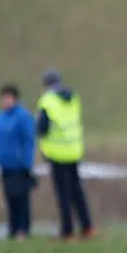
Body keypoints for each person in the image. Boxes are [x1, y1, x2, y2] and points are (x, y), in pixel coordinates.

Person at [36, 70, 94, 241]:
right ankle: (87, 227)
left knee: (63, 194)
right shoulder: (73, 97)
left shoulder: (47, 101)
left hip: (57, 153)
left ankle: (67, 231)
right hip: (74, 150)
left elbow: (42, 128)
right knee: (77, 192)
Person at [0, 84, 37, 240]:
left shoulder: (23, 117)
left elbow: (28, 141)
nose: (5, 101)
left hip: (19, 165)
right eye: (3, 98)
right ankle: (12, 229)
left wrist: (27, 163)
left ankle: (23, 230)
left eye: (8, 98)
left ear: (14, 98)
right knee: (10, 198)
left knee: (21, 198)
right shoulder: (0, 118)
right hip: (4, 165)